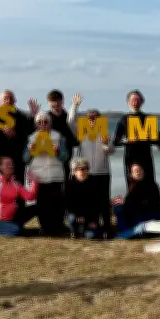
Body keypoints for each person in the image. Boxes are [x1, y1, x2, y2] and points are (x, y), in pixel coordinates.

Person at [68, 94, 114, 236]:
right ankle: (85, 224)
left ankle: (107, 226)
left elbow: (111, 151)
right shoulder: (81, 132)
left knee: (104, 201)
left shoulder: (105, 132)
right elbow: (70, 121)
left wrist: (106, 144)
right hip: (85, 172)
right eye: (90, 118)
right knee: (86, 200)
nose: (92, 120)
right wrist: (75, 106)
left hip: (102, 172)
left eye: (95, 118)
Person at [24, 112, 69, 236]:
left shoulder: (58, 137)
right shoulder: (31, 139)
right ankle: (45, 228)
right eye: (39, 122)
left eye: (45, 121)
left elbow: (65, 157)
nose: (42, 124)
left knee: (58, 204)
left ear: (50, 123)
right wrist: (29, 151)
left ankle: (58, 227)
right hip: (39, 177)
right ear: (36, 124)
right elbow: (25, 159)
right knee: (42, 205)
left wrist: (58, 151)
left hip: (55, 175)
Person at [0, 90, 39, 185]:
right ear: (0, 101)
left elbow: (29, 133)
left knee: (18, 189)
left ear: (15, 100)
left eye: (11, 99)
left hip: (17, 160)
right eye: (5, 99)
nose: (8, 101)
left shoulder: (21, 116)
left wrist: (33, 116)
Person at [0, 157, 39, 237]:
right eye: (7, 164)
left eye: (11, 164)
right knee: (16, 230)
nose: (10, 166)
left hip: (10, 219)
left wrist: (34, 181)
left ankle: (14, 228)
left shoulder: (15, 183)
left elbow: (30, 197)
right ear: (0, 167)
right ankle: (8, 229)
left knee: (35, 208)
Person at [113, 89, 157, 187]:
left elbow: (158, 141)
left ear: (142, 102)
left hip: (146, 159)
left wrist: (149, 138)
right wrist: (126, 141)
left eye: (137, 100)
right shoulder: (124, 119)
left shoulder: (148, 119)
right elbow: (116, 142)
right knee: (132, 187)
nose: (135, 103)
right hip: (130, 158)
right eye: (133, 100)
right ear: (128, 102)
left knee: (149, 186)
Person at [113, 163, 160, 239]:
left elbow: (150, 203)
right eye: (135, 171)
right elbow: (131, 203)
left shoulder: (151, 185)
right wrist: (122, 202)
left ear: (143, 172)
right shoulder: (133, 185)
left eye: (139, 170)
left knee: (140, 223)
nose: (138, 172)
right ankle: (126, 231)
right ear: (131, 174)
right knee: (118, 208)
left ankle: (127, 234)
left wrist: (128, 204)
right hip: (137, 215)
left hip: (149, 214)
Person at [46, 90, 78, 180]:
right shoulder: (45, 119)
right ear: (49, 102)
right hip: (49, 160)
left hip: (66, 159)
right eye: (53, 105)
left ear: (62, 102)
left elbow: (75, 140)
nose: (56, 107)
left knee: (66, 186)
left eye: (58, 105)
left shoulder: (68, 118)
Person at [65, 158, 101, 239]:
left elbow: (97, 204)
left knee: (92, 236)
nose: (83, 171)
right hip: (75, 215)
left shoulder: (94, 183)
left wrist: (93, 220)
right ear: (74, 171)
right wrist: (78, 215)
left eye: (86, 169)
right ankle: (75, 230)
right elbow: (68, 204)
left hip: (89, 216)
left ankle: (84, 230)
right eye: (80, 169)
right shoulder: (69, 184)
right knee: (72, 218)